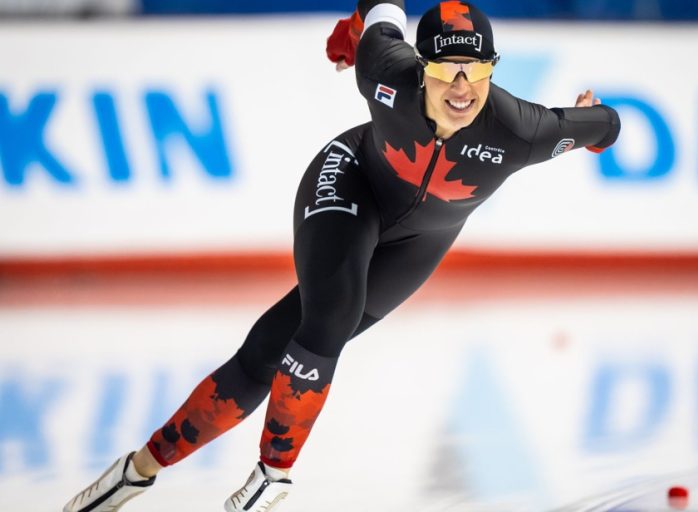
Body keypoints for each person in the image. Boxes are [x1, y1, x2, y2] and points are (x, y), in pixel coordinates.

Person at [63, 1, 620, 511]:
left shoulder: (524, 131)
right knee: (331, 315)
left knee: (269, 354)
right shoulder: (384, 69)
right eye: (445, 68)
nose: (460, 86)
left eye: (475, 71)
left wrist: (586, 125)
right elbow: (382, 10)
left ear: (492, 71)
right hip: (350, 181)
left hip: (421, 241)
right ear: (418, 66)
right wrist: (359, 30)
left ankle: (133, 473)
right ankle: (272, 478)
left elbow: (609, 125)